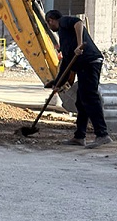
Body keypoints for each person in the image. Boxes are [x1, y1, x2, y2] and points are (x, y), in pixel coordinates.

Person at [45, 9, 110, 148]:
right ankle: (79, 137)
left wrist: (80, 44)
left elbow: (79, 23)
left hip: (90, 62)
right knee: (81, 102)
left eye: (49, 24)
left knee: (89, 98)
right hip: (82, 67)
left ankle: (102, 134)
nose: (50, 27)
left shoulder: (64, 22)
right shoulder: (64, 37)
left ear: (51, 20)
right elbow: (66, 64)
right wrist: (57, 83)